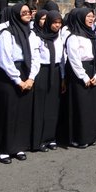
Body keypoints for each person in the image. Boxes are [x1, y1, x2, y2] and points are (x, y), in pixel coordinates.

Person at [0, 3, 40, 164]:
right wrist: (18, 80)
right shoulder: (6, 33)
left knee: (23, 112)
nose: (27, 14)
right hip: (8, 76)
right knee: (7, 112)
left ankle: (18, 146)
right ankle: (3, 149)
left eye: (28, 12)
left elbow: (36, 56)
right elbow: (5, 59)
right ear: (16, 14)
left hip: (27, 72)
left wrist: (31, 78)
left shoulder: (31, 34)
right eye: (23, 12)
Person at [65, 8, 96, 148]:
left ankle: (90, 136)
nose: (91, 19)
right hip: (79, 73)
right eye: (88, 16)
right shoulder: (74, 37)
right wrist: (84, 77)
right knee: (80, 106)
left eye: (93, 16)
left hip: (93, 70)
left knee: (90, 107)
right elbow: (74, 59)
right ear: (80, 18)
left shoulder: (92, 35)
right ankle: (78, 137)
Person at [32, 10, 65, 152]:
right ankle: (38, 140)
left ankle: (50, 137)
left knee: (53, 107)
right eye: (54, 22)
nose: (57, 26)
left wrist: (63, 77)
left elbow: (62, 59)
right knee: (41, 107)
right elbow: (35, 58)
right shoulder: (38, 37)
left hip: (56, 72)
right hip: (42, 72)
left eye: (59, 23)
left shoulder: (59, 37)